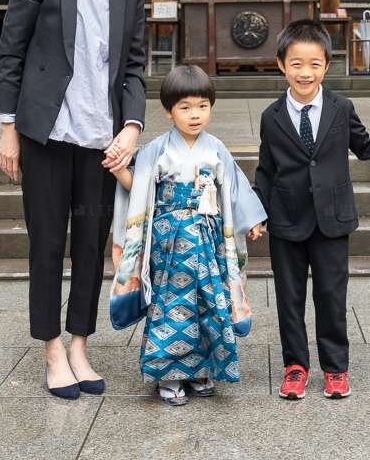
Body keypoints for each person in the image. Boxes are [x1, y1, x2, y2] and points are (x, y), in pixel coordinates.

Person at [0, 0, 146, 399]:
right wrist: (8, 128)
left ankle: (80, 344)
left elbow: (133, 67)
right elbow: (11, 53)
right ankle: (52, 349)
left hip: (101, 141)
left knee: (90, 243)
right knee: (47, 246)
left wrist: (130, 126)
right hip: (46, 135)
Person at [254, 19, 370, 401]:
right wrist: (255, 213)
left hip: (332, 221)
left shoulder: (341, 108)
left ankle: (336, 368)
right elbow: (265, 170)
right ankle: (295, 366)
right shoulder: (271, 117)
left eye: (314, 64)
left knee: (331, 297)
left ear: (327, 65)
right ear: (280, 65)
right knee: (289, 299)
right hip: (286, 221)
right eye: (297, 64)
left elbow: (367, 146)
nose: (305, 73)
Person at [109, 64, 266, 406]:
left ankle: (202, 370)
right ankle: (169, 374)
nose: (195, 115)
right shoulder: (157, 150)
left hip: (208, 238)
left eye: (202, 106)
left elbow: (235, 187)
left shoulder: (217, 148)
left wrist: (251, 219)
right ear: (168, 111)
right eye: (185, 107)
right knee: (171, 305)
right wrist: (121, 170)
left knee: (209, 301)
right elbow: (139, 187)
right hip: (169, 242)